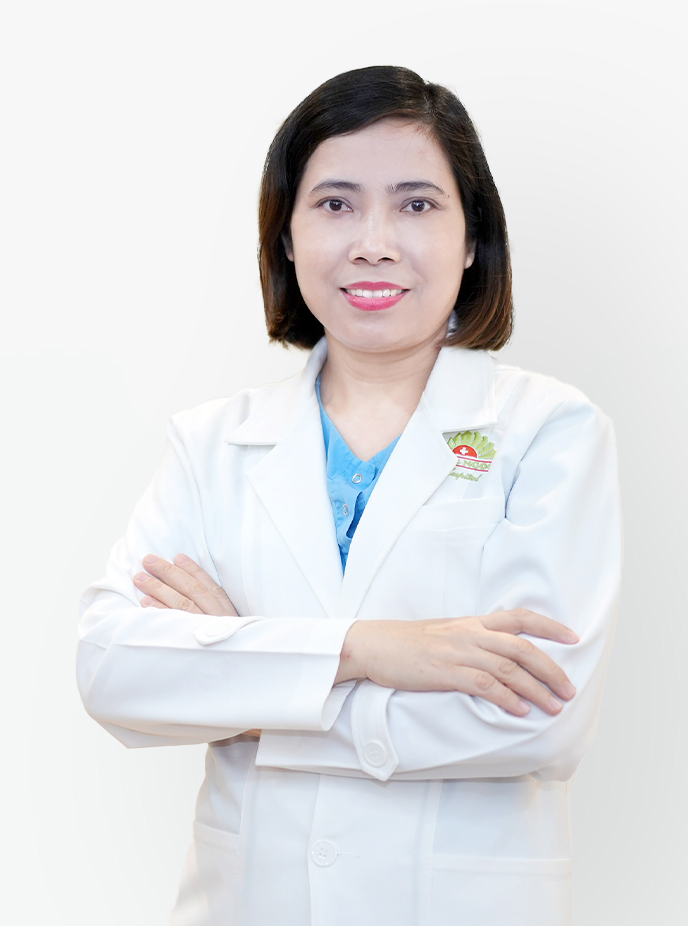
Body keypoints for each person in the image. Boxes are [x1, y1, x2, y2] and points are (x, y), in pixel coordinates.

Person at [77, 65, 621, 926]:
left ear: (472, 238)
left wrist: (251, 698)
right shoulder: (212, 445)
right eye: (334, 204)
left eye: (416, 204)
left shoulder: (549, 432)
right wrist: (372, 649)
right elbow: (115, 668)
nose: (373, 242)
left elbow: (539, 718)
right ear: (286, 239)